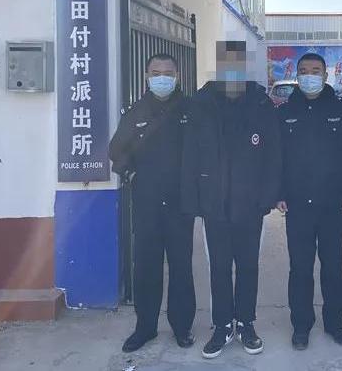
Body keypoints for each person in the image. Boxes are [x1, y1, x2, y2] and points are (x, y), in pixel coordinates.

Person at [180, 41, 282, 359]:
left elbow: (274, 154)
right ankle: (223, 325)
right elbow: (190, 155)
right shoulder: (201, 103)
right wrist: (193, 201)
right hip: (214, 205)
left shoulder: (261, 103)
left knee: (248, 266)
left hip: (251, 205)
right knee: (219, 267)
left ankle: (246, 324)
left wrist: (267, 197)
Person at [277, 53, 342, 350]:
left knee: (333, 266)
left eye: (315, 71)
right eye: (303, 71)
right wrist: (278, 193)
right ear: (297, 76)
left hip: (332, 204)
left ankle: (335, 323)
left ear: (326, 76)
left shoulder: (341, 111)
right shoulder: (285, 112)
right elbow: (275, 158)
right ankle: (301, 326)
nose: (309, 76)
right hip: (297, 205)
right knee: (300, 268)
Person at [109, 53, 196, 353]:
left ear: (177, 76)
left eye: (167, 73)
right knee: (146, 267)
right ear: (147, 76)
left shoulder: (190, 110)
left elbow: (203, 150)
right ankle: (145, 327)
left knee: (181, 266)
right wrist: (131, 173)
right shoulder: (136, 112)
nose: (162, 78)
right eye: (156, 73)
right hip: (146, 203)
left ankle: (182, 327)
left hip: (181, 204)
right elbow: (116, 150)